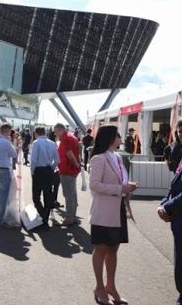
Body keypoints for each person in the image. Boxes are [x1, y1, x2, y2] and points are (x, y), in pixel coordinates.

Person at [89, 124, 138, 305]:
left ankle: (110, 286)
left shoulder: (117, 157)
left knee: (113, 250)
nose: (121, 138)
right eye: (118, 135)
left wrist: (127, 186)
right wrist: (120, 189)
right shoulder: (99, 158)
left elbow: (119, 181)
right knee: (101, 249)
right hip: (103, 212)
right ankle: (99, 287)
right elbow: (94, 184)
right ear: (110, 138)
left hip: (117, 210)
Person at [158, 122, 182, 305]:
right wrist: (163, 203)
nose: (181, 134)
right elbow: (175, 185)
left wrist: (167, 207)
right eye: (180, 131)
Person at [30, 126, 60, 229]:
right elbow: (57, 160)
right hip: (49, 171)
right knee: (47, 195)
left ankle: (43, 217)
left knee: (36, 197)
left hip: (39, 171)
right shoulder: (52, 143)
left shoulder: (36, 143)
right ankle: (45, 219)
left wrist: (32, 171)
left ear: (36, 133)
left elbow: (33, 160)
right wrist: (51, 168)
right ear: (45, 133)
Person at [54, 123, 82, 226]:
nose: (55, 134)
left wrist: (76, 165)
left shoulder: (65, 139)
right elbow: (79, 150)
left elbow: (69, 154)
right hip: (71, 170)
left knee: (68, 195)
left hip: (67, 170)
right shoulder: (72, 137)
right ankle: (72, 216)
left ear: (60, 130)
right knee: (72, 194)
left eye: (56, 132)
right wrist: (78, 165)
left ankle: (69, 218)